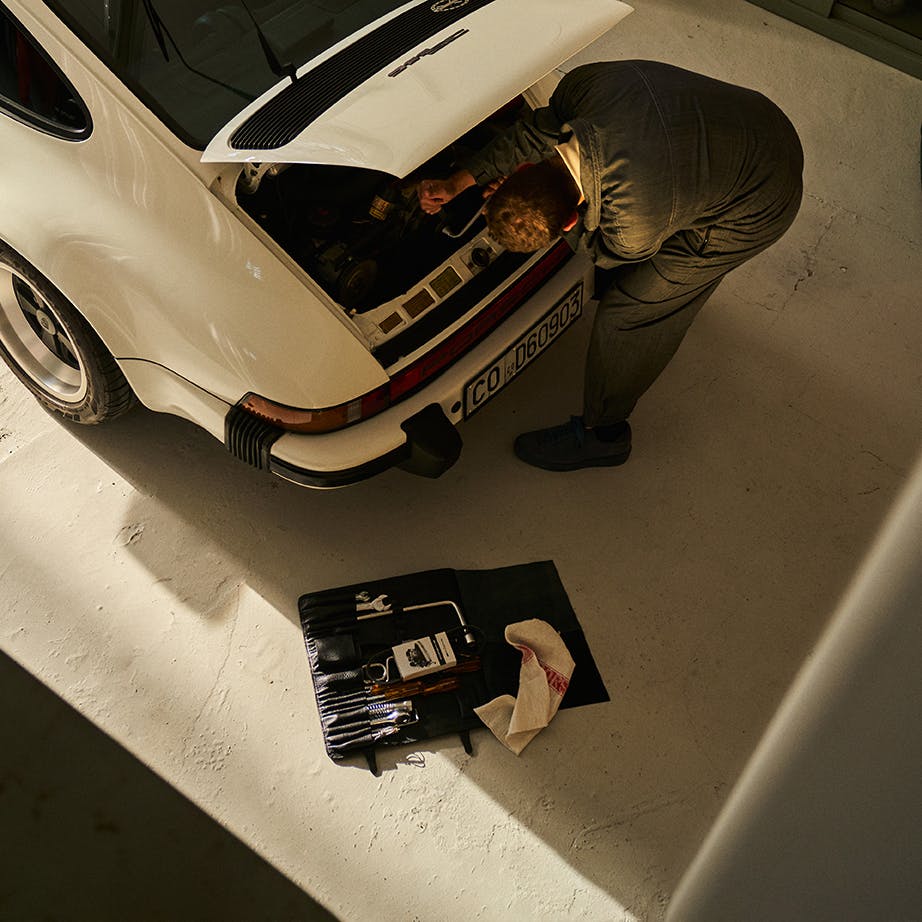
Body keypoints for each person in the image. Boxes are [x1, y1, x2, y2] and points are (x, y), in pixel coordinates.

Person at [418, 60, 803, 471]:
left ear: (568, 222)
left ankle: (604, 436)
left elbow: (608, 252)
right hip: (759, 119)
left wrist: (571, 229)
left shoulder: (634, 224)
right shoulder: (582, 85)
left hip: (761, 201)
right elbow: (535, 132)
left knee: (632, 308)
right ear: (526, 169)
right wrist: (460, 181)